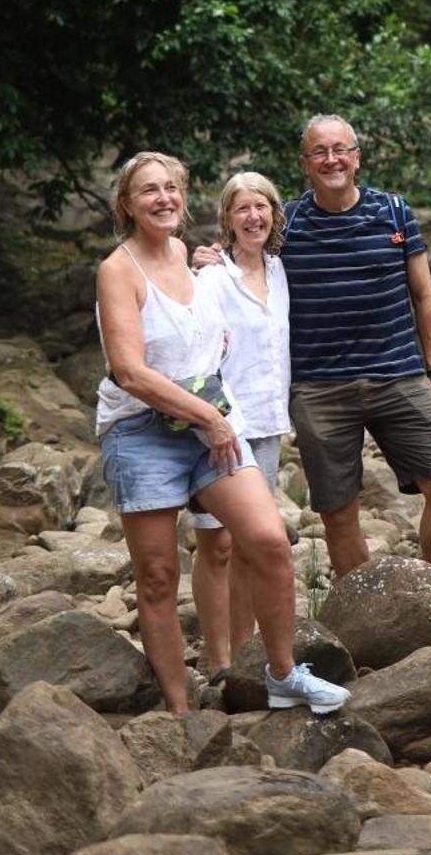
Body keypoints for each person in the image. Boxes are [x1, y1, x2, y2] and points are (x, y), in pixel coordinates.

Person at [95, 151, 349, 718]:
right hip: (142, 429)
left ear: (183, 197)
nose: (162, 199)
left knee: (268, 541)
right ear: (127, 205)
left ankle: (282, 675)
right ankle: (181, 711)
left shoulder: (189, 256)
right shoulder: (117, 270)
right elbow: (129, 371)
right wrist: (209, 416)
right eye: (148, 191)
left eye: (171, 189)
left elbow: (199, 330)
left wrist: (214, 363)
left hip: (208, 420)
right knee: (159, 576)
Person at [282, 113, 431, 579]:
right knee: (339, 513)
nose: (331, 159)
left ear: (357, 157)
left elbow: (424, 296)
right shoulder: (285, 225)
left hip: (399, 375)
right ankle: (363, 611)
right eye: (319, 152)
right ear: (306, 164)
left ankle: (429, 587)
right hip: (319, 387)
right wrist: (206, 257)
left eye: (340, 149)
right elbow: (240, 262)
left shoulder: (396, 213)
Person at [186, 171, 292, 683]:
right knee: (216, 543)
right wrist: (212, 422)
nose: (254, 216)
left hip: (268, 420)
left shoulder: (279, 270)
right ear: (227, 219)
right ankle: (218, 657)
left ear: (273, 214)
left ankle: (246, 653)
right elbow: (199, 353)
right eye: (243, 208)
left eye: (262, 207)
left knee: (252, 542)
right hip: (222, 423)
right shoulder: (211, 278)